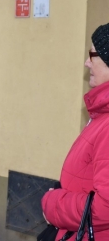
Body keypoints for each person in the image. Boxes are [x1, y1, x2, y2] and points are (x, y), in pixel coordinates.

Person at [41, 23, 109, 240]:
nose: (87, 62)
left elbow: (104, 208)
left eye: (93, 54)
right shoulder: (102, 115)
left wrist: (53, 205)